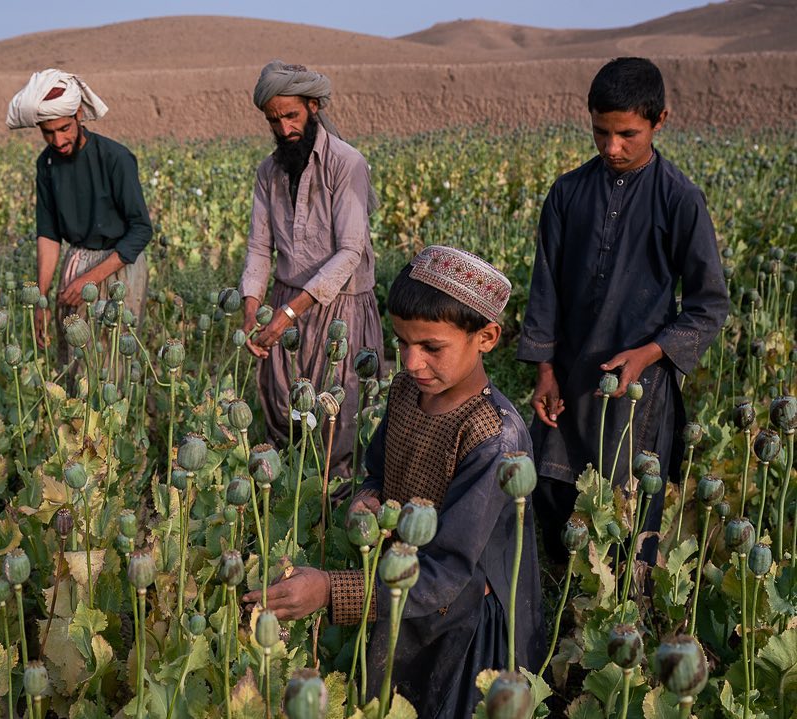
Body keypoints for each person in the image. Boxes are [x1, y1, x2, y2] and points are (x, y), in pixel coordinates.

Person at [243, 246, 545, 718]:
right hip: (400, 597)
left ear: (486, 337)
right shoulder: (407, 391)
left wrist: (328, 590)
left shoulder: (494, 438)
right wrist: (368, 498)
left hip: (463, 626)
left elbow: (448, 573)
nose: (410, 362)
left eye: (431, 347)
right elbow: (380, 471)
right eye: (401, 343)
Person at [517, 57, 728, 562]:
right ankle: (561, 602)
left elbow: (708, 304)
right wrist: (544, 370)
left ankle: (629, 613)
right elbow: (543, 288)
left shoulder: (680, 200)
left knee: (627, 512)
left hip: (638, 391)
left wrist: (651, 352)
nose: (612, 147)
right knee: (551, 492)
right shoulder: (567, 193)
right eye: (600, 132)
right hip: (569, 378)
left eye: (627, 134)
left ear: (660, 121)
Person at [238, 60, 383, 479]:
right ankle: (286, 512)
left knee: (335, 425)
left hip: (342, 308)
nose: (284, 129)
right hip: (288, 304)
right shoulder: (269, 172)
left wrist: (286, 315)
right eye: (274, 120)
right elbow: (259, 247)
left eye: (291, 115)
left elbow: (350, 251)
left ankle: (331, 520)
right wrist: (252, 306)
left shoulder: (346, 164)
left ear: (313, 106)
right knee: (283, 416)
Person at [6, 68, 153, 359]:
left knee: (113, 364)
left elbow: (141, 230)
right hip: (76, 263)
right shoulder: (46, 164)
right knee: (74, 362)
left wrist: (91, 279)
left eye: (64, 129)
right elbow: (48, 234)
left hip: (119, 268)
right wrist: (41, 298)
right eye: (48, 133)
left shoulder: (116, 158)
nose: (58, 141)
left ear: (78, 116)